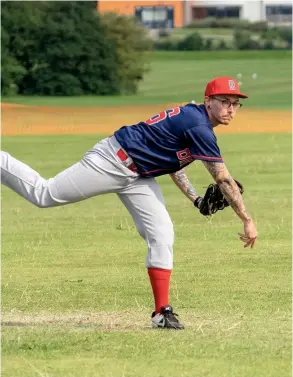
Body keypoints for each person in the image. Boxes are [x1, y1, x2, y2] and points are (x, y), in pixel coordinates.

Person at [1, 76, 258, 330]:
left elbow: (174, 165)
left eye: (235, 104)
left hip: (138, 176)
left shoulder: (195, 120)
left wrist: (196, 199)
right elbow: (223, 178)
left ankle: (161, 312)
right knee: (44, 195)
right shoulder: (198, 125)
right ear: (208, 101)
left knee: (162, 234)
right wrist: (246, 219)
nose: (230, 109)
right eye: (224, 101)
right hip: (112, 161)